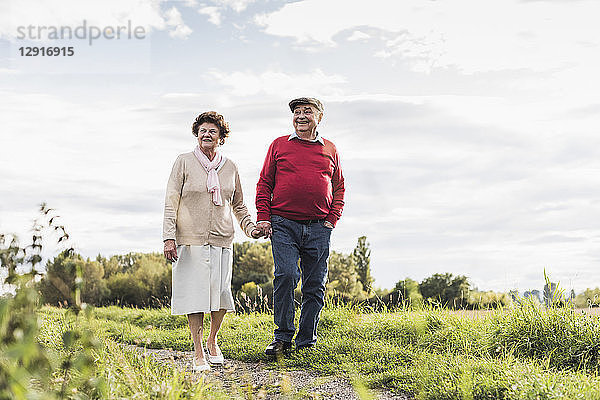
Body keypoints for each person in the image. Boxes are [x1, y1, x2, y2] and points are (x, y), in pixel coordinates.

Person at [163, 111, 262, 372]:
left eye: (212, 131)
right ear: (197, 134)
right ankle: (198, 352)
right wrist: (168, 237)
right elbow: (171, 200)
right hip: (190, 240)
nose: (206, 135)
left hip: (222, 239)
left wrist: (250, 229)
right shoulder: (183, 161)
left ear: (221, 137)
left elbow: (239, 205)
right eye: (202, 131)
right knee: (195, 297)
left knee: (220, 296)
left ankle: (212, 340)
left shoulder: (230, 167)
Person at [255, 97, 345, 355]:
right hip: (283, 223)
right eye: (297, 112)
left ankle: (307, 342)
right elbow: (264, 183)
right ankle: (282, 338)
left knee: (315, 285)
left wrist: (332, 219)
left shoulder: (330, 149)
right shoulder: (279, 145)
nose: (301, 116)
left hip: (319, 227)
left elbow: (339, 186)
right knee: (285, 275)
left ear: (320, 117)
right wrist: (263, 216)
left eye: (307, 111)